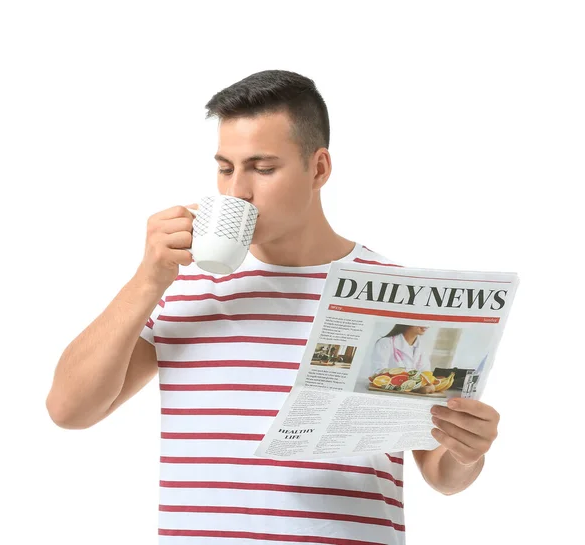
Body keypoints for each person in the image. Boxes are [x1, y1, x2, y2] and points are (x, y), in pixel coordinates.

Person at [46, 69, 501, 545]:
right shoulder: (179, 284)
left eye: (262, 169)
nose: (237, 191)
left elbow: (441, 474)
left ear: (319, 169)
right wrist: (147, 278)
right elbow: (68, 410)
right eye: (225, 168)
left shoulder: (396, 296)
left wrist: (466, 450)